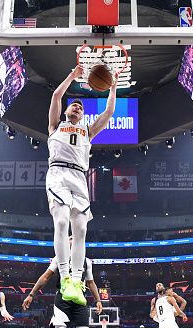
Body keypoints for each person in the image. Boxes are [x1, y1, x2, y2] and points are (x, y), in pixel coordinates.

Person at [46, 65, 118, 306]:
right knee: (61, 221)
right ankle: (65, 276)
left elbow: (108, 112)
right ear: (67, 111)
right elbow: (57, 95)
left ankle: (76, 282)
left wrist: (113, 86)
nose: (77, 107)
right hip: (58, 172)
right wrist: (72, 76)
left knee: (81, 230)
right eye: (74, 105)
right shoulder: (55, 126)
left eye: (81, 106)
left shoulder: (87, 131)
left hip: (79, 178)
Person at [22, 236, 103, 328]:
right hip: (62, 298)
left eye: (74, 238)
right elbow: (45, 277)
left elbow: (91, 282)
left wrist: (98, 300)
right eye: (69, 238)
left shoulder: (87, 261)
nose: (72, 240)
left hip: (80, 299)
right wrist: (31, 294)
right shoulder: (58, 258)